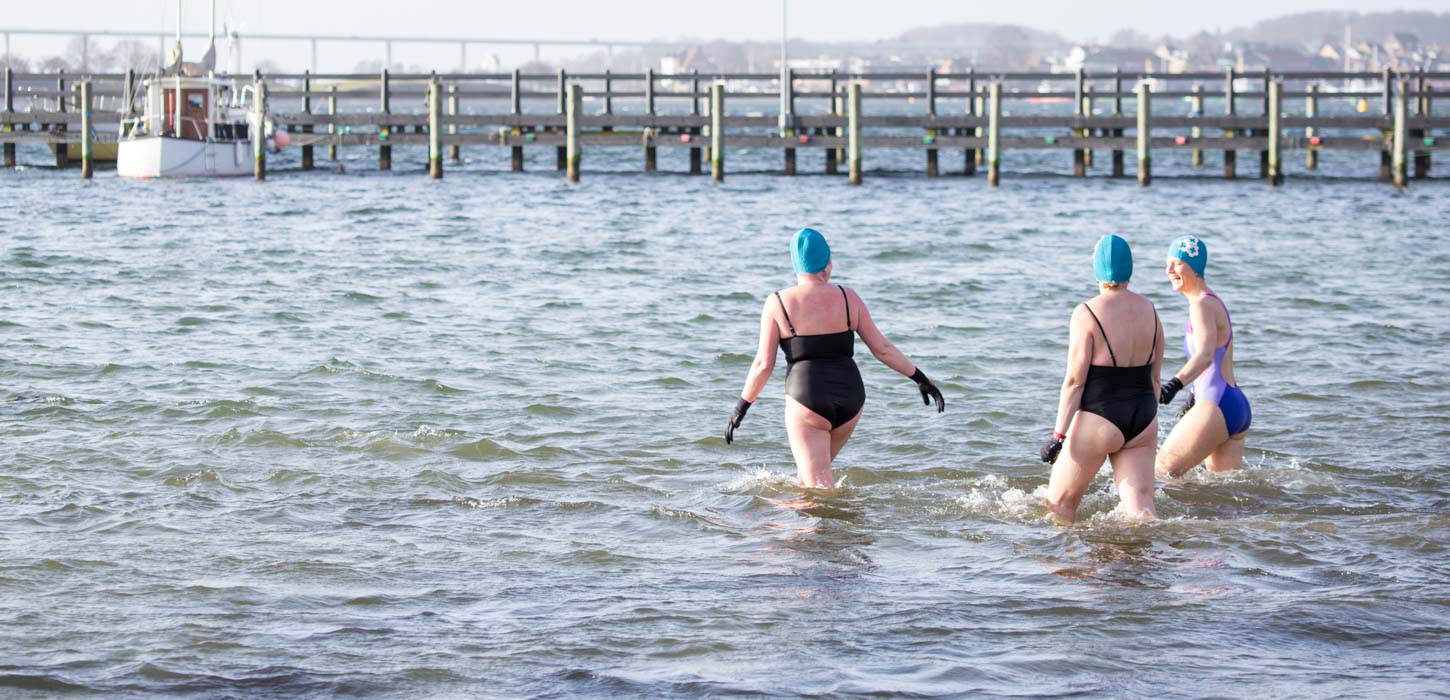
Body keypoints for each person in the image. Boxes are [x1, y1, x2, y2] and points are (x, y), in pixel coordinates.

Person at [724, 228, 945, 488]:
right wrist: (920, 378)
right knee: (809, 481)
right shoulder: (848, 297)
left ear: (795, 264)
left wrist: (741, 408)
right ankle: (787, 515)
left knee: (818, 489)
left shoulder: (778, 302)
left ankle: (829, 519)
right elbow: (882, 348)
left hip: (808, 400)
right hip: (851, 399)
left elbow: (763, 365)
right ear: (828, 263)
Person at [1040, 235, 1163, 523]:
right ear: (1129, 268)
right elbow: (1156, 376)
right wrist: (1145, 416)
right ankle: (1157, 551)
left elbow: (1075, 381)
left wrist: (1058, 437)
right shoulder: (1150, 309)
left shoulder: (1087, 312)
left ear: (1096, 268)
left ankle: (1064, 555)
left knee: (1059, 506)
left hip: (1100, 415)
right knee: (1142, 513)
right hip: (1144, 417)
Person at [1156, 235, 1251, 477]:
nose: (1169, 271)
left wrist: (1172, 386)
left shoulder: (1200, 306)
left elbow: (1206, 355)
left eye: (1177, 263)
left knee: (1162, 470)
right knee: (1222, 490)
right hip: (1232, 404)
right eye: (1168, 264)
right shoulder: (1212, 301)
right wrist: (1193, 397)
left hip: (1215, 403)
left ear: (1195, 267)